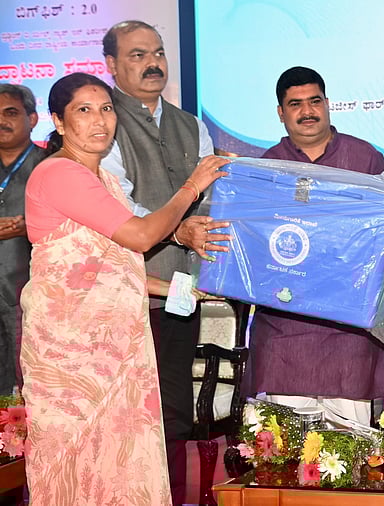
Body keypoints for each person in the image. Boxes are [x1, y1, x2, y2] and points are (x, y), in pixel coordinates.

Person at [20, 72, 226, 505]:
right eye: (83, 110)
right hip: (72, 359)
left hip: (116, 351)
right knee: (72, 470)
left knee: (119, 467)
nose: (100, 121)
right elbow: (141, 237)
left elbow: (112, 267)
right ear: (58, 122)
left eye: (107, 109)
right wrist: (192, 186)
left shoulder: (106, 183)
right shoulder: (58, 173)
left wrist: (176, 290)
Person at [101, 20, 230, 503]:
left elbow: (209, 201)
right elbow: (118, 208)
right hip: (125, 291)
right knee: (125, 409)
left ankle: (171, 496)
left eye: (157, 53)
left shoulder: (189, 124)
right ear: (111, 66)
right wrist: (178, 228)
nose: (152, 63)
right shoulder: (103, 123)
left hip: (179, 290)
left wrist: (201, 232)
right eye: (136, 55)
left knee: (173, 408)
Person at [248, 66, 384, 426]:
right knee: (287, 452)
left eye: (315, 101)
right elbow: (255, 244)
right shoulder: (266, 167)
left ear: (328, 104)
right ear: (281, 113)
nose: (307, 111)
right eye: (295, 104)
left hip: (347, 332)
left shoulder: (365, 159)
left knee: (350, 451)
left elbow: (383, 238)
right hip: (285, 330)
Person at [0, 84, 46, 395]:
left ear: (32, 119)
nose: (1, 121)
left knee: (27, 385)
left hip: (29, 296)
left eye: (11, 113)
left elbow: (74, 224)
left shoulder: (51, 165)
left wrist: (27, 225)